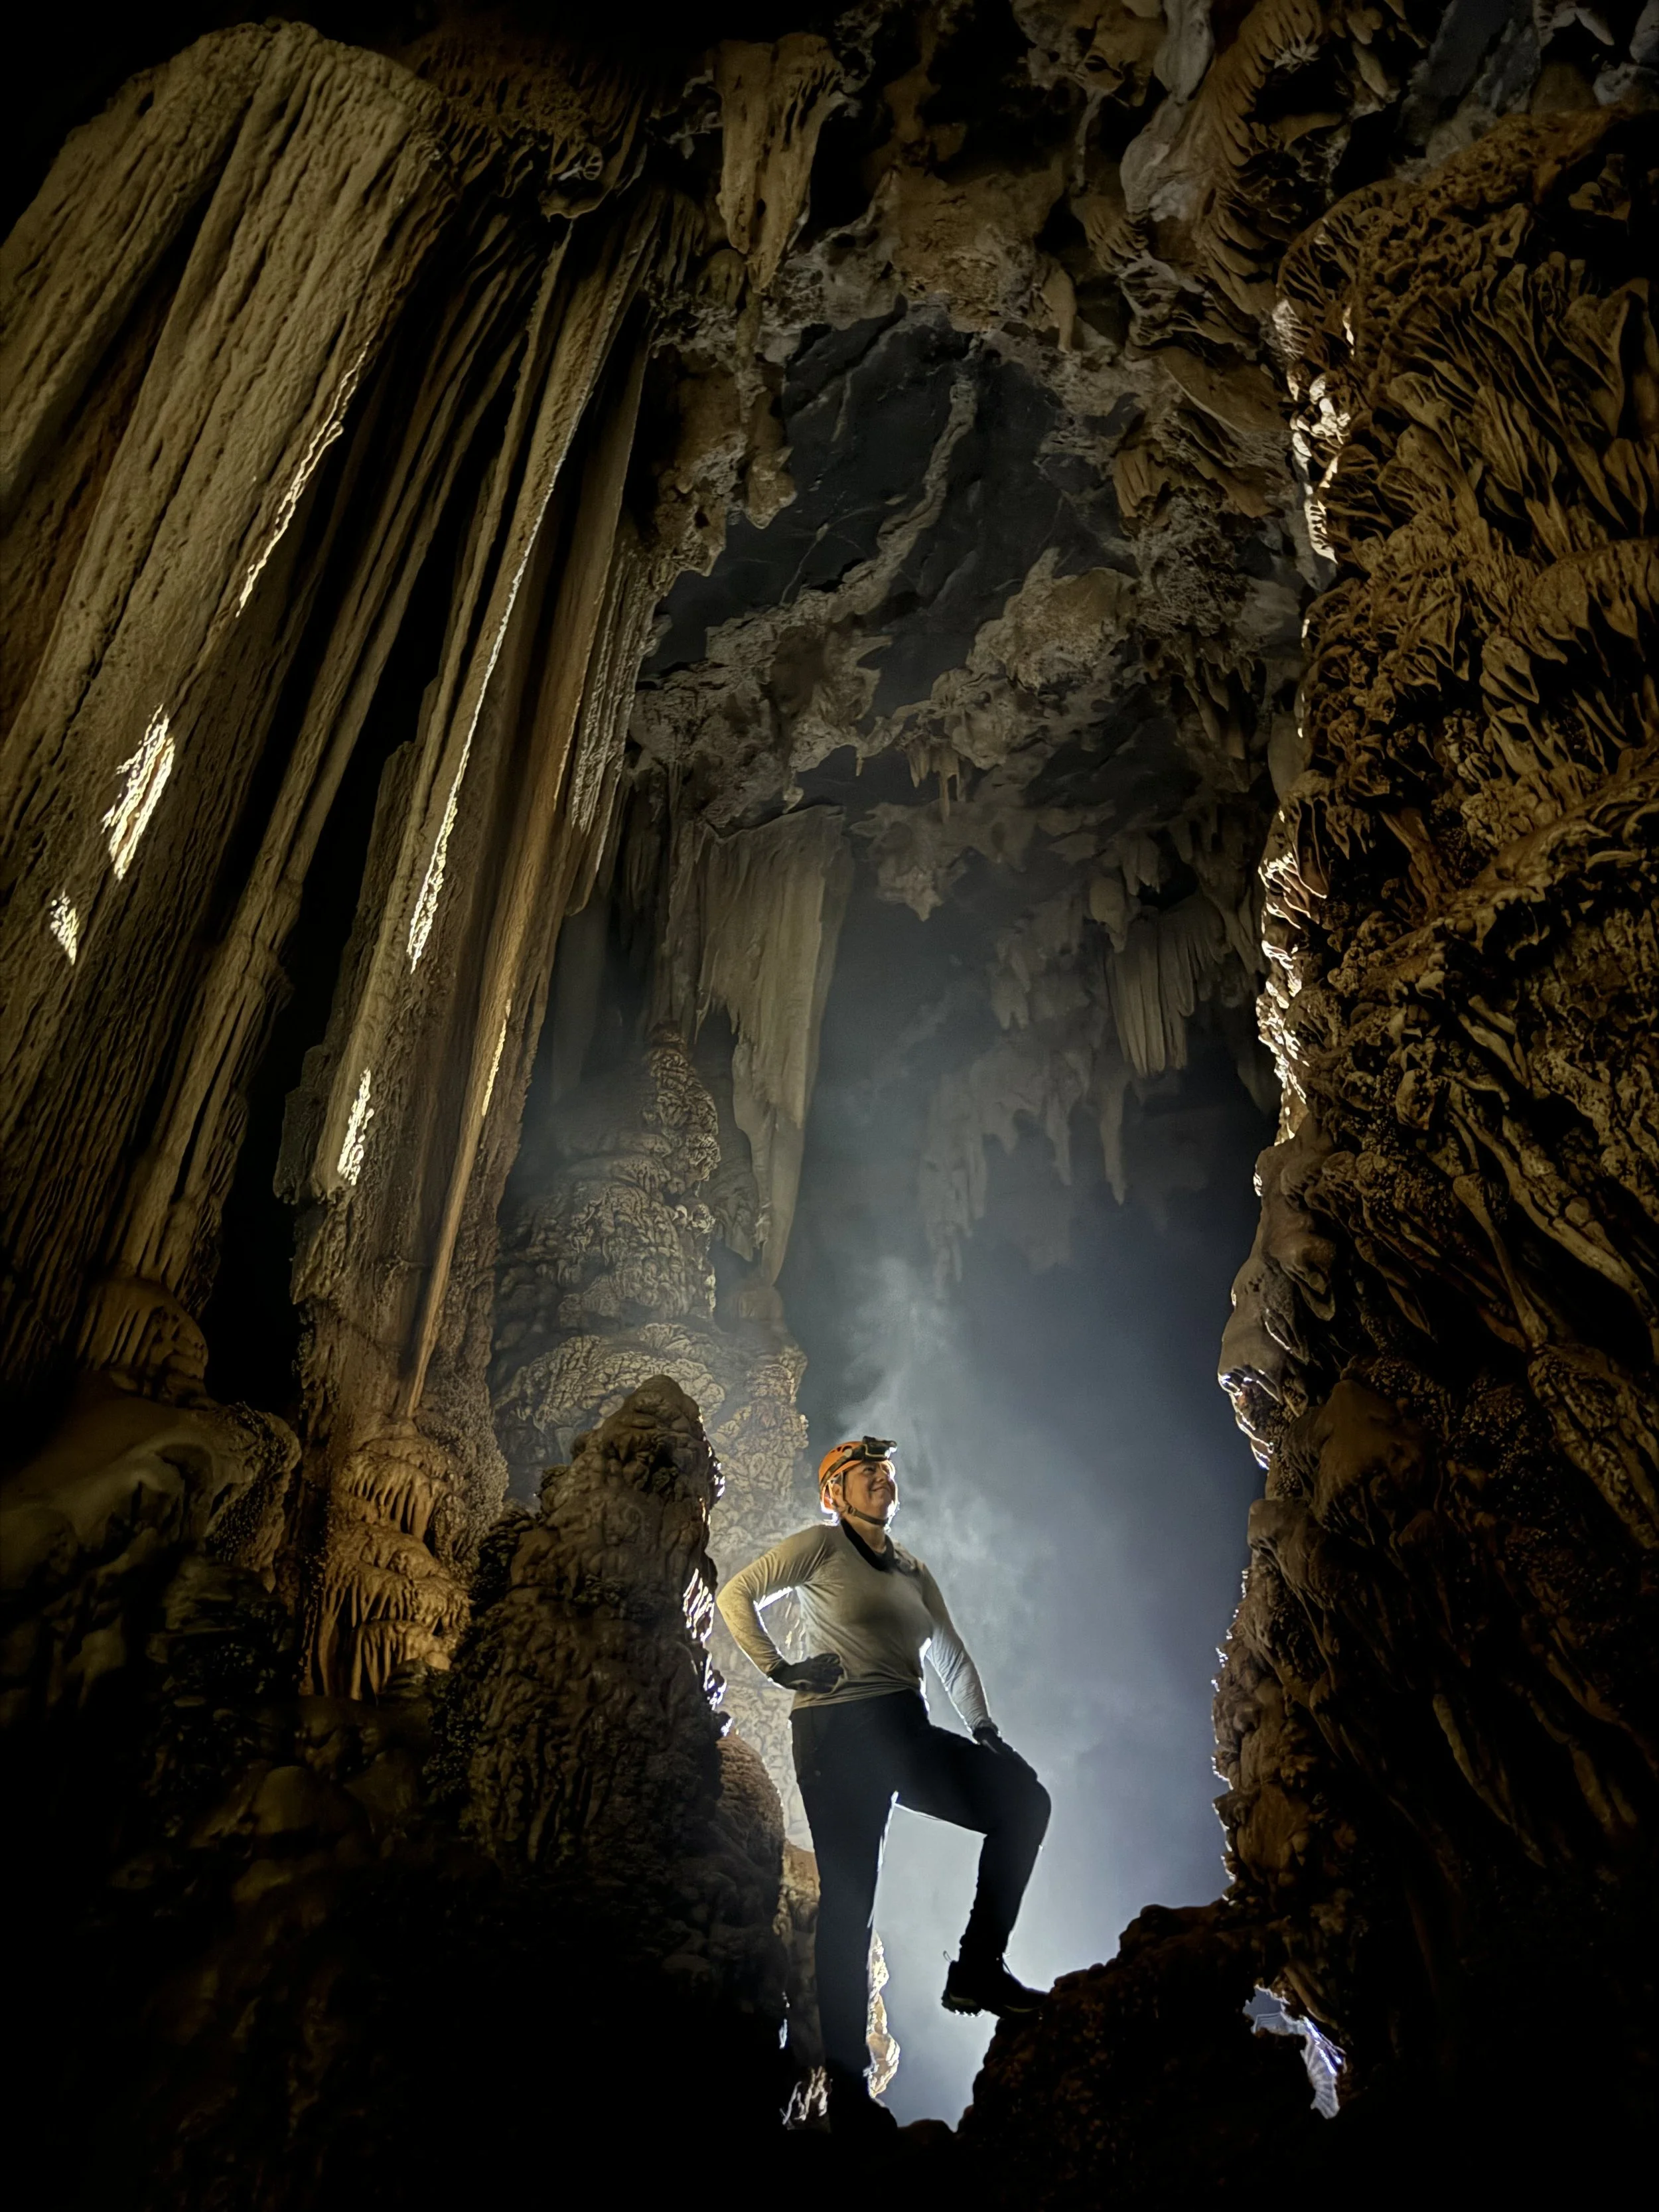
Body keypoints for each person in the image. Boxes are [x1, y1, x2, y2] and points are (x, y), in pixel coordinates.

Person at [717, 1434, 1052, 2134]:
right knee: (849, 1904)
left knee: (1024, 1802)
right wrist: (781, 1671)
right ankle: (846, 2089)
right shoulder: (820, 1546)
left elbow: (951, 1656)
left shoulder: (911, 1572)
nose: (878, 1477)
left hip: (903, 1729)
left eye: (883, 1470)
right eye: (860, 1471)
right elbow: (737, 1594)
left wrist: (988, 1734)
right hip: (837, 1733)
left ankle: (978, 1969)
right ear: (833, 1493)